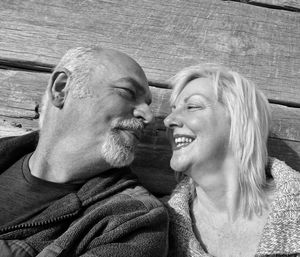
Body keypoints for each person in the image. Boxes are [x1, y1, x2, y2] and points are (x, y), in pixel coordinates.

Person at [0, 46, 169, 257]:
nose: (148, 116)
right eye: (128, 92)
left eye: (148, 104)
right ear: (61, 89)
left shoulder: (131, 221)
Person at [163, 64, 299, 257]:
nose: (168, 120)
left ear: (239, 121)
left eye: (192, 106)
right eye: (173, 109)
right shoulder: (157, 227)